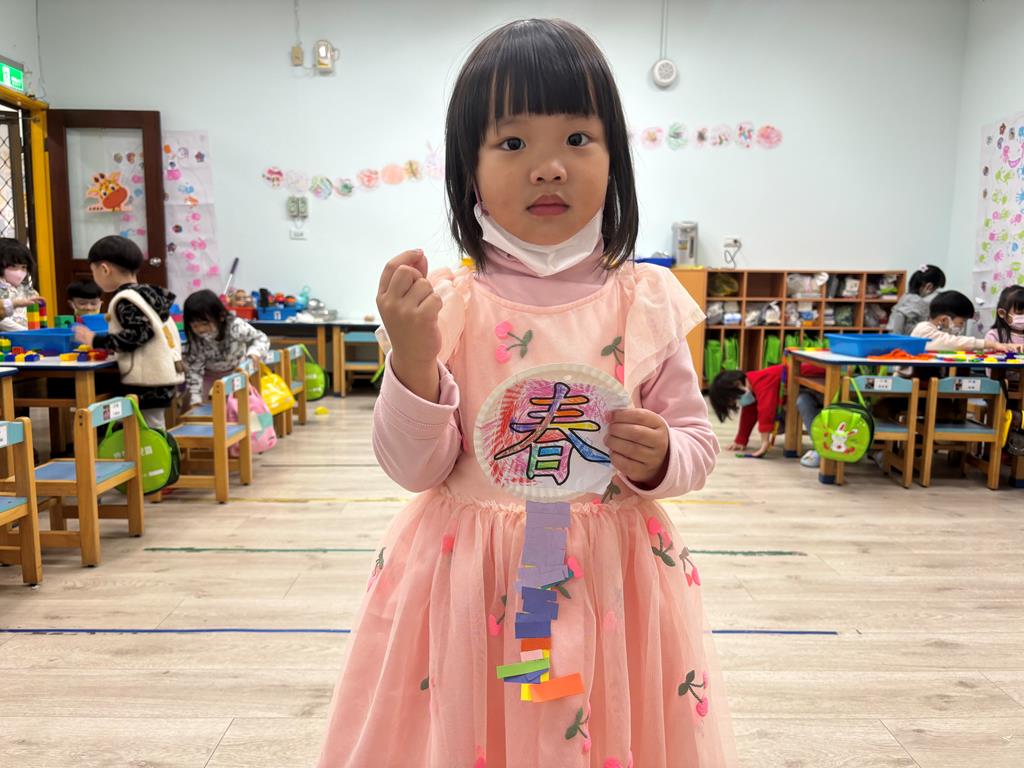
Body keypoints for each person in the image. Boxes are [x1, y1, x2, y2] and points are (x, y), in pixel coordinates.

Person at [317, 19, 735, 767]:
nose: (549, 167)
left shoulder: (645, 300)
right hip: (472, 583)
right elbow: (415, 467)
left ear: (615, 159)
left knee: (588, 725)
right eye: (512, 143)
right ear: (467, 169)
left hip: (610, 583)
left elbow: (697, 444)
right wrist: (413, 358)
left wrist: (662, 455)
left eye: (578, 138)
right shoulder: (447, 304)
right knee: (489, 726)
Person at [72, 236, 184, 429]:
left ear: (104, 269)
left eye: (93, 272)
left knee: (148, 429)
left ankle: (153, 450)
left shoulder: (126, 300)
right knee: (150, 425)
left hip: (148, 381)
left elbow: (140, 334)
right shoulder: (147, 294)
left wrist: (95, 340)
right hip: (162, 375)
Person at [709, 362, 826, 467]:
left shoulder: (761, 381)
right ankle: (821, 446)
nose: (738, 403)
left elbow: (766, 409)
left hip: (822, 382)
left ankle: (822, 449)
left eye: (735, 399)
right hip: (808, 389)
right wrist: (741, 439)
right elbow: (749, 413)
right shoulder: (752, 385)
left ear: (737, 384)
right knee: (796, 406)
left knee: (802, 402)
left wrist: (765, 442)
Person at [183, 289, 269, 407]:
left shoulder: (236, 326)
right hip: (208, 376)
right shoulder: (196, 339)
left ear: (221, 317)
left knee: (241, 407)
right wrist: (195, 398)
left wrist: (255, 352)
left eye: (205, 323)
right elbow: (195, 369)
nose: (201, 329)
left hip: (236, 373)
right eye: (195, 325)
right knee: (197, 405)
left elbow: (261, 338)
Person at [886, 264, 945, 335]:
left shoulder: (906, 296)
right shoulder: (916, 301)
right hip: (905, 339)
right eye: (935, 290)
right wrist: (897, 338)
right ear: (929, 287)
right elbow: (900, 315)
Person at [0, 237, 42, 331]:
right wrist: (24, 332)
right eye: (13, 267)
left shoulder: (30, 292)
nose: (19, 272)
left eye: (23, 267)